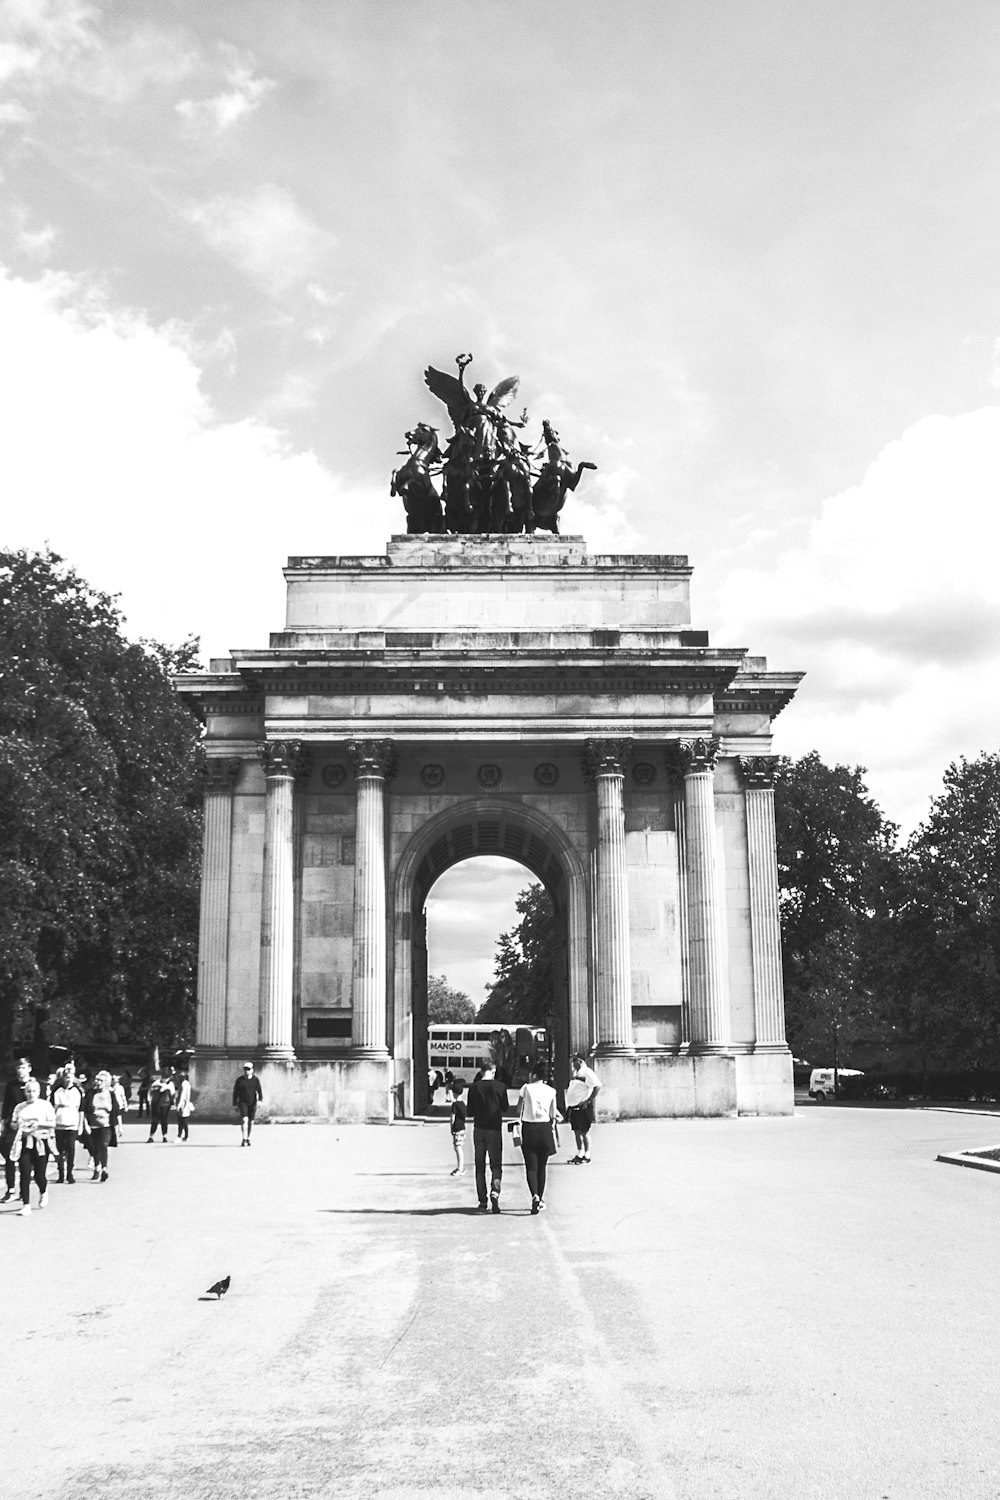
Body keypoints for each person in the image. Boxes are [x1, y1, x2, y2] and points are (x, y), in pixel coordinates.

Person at [465, 1058, 508, 1213]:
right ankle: (495, 1192)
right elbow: (505, 1107)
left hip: (479, 1129)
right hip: (494, 1129)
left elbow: (469, 1112)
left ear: (481, 1071)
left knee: (480, 1166)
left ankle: (482, 1201)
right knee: (496, 1165)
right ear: (494, 1071)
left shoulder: (474, 1088)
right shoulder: (501, 1087)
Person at [516, 1062, 560, 1214]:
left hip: (529, 1128)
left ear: (534, 1075)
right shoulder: (551, 1091)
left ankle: (534, 1195)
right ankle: (540, 1199)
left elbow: (517, 1108)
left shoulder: (526, 1088)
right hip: (545, 1129)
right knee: (542, 1167)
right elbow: (553, 1114)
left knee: (531, 1166)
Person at [10, 1077, 57, 1215]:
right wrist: (17, 1125)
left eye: (34, 1091)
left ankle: (43, 1191)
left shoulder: (45, 1106)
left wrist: (39, 1125)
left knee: (39, 1174)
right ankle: (26, 1204)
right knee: (24, 1172)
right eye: (29, 1091)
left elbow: (53, 1124)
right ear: (25, 1092)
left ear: (39, 1092)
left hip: (40, 1141)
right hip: (24, 1142)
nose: (31, 1094)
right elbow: (12, 1123)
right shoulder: (20, 1107)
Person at [2, 1058, 34, 1204]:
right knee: (10, 1157)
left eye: (23, 1067)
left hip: (28, 1127)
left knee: (24, 1160)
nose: (20, 1070)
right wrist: (3, 1121)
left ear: (29, 1068)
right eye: (18, 1067)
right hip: (13, 1125)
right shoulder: (11, 1085)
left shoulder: (33, 1086)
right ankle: (10, 1190)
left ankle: (24, 1189)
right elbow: (7, 1105)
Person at [51, 1063, 85, 1184]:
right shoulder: (57, 1091)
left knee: (71, 1149)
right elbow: (52, 1108)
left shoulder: (77, 1092)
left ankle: (69, 1173)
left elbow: (81, 1110)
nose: (68, 1079)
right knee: (59, 1149)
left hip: (72, 1124)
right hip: (59, 1124)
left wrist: (81, 1125)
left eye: (70, 1077)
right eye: (66, 1077)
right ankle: (61, 1173)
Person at [566, 1053, 602, 1164]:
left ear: (580, 1061)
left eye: (574, 1060)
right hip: (574, 1107)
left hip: (582, 1107)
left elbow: (597, 1085)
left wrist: (588, 1100)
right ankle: (580, 1153)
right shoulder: (576, 1073)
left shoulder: (587, 1072)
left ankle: (587, 1155)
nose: (572, 1062)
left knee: (584, 1132)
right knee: (576, 1131)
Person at [232, 1062, 262, 1146]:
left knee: (251, 1122)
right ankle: (244, 1138)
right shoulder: (240, 1080)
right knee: (244, 1120)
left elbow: (259, 1091)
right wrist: (234, 1103)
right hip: (242, 1102)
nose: (246, 1071)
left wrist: (260, 1100)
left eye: (248, 1069)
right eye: (245, 1069)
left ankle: (248, 1138)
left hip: (252, 1102)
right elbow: (235, 1092)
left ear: (252, 1070)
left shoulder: (255, 1080)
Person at [147, 1068, 175, 1142]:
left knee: (164, 1120)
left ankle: (164, 1136)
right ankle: (151, 1136)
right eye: (164, 1077)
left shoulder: (170, 1084)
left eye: (166, 1078)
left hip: (165, 1104)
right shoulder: (156, 1083)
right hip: (155, 1104)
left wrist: (164, 1087)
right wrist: (150, 1100)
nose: (165, 1079)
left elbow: (172, 1093)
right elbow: (150, 1092)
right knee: (155, 1121)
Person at [448, 1080, 467, 1176]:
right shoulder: (463, 1104)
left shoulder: (455, 1105)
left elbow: (452, 1118)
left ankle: (461, 1168)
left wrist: (451, 1128)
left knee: (458, 1147)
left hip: (457, 1128)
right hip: (462, 1128)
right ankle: (460, 1167)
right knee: (458, 1147)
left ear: (454, 1093)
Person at [176, 1071, 193, 1141]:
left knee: (182, 1121)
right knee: (183, 1121)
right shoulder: (185, 1083)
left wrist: (180, 1105)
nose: (179, 1078)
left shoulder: (184, 1084)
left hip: (183, 1104)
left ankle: (180, 1135)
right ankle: (185, 1136)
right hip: (184, 1104)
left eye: (180, 1077)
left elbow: (183, 1095)